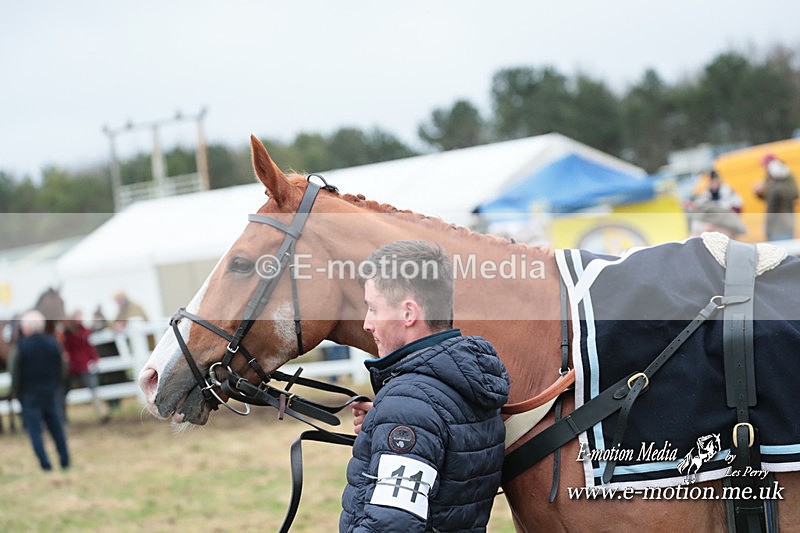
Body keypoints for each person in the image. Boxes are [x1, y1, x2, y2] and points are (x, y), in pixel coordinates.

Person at [340, 240, 509, 532]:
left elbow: (393, 526)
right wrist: (385, 422)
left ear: (408, 313)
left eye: (373, 309)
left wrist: (400, 415)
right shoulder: (462, 383)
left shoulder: (411, 405)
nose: (367, 324)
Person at [12, 310, 70, 471]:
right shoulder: (53, 343)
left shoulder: (20, 348)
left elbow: (15, 373)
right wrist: (57, 387)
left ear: (27, 328)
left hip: (29, 395)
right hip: (51, 392)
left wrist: (18, 394)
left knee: (35, 431)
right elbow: (62, 369)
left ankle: (45, 464)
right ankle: (64, 459)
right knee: (56, 428)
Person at [62, 311, 110, 423]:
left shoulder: (84, 331)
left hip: (84, 366)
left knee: (94, 390)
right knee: (64, 393)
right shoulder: (68, 334)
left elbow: (88, 347)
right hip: (73, 368)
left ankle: (103, 413)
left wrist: (94, 358)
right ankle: (62, 418)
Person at [685, 169, 745, 238]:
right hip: (712, 224)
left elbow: (735, 209)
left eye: (715, 181)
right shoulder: (706, 194)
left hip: (726, 225)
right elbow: (701, 206)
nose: (714, 183)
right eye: (712, 181)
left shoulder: (728, 191)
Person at [755, 154, 798, 241]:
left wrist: (767, 229)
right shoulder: (780, 183)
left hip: (779, 225)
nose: (765, 168)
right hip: (786, 222)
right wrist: (760, 193)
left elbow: (772, 206)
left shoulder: (776, 186)